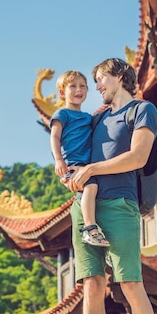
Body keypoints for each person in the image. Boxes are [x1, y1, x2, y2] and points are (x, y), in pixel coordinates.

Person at [66, 58, 157, 314]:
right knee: (92, 286)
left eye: (101, 79)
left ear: (120, 76)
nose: (97, 87)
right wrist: (68, 172)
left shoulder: (141, 110)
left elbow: (138, 156)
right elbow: (72, 145)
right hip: (85, 206)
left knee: (131, 284)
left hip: (121, 204)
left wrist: (93, 169)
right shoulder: (96, 118)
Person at [50, 70, 109, 247]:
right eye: (73, 86)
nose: (79, 90)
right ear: (62, 92)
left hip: (88, 165)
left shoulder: (88, 117)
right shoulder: (62, 114)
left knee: (96, 191)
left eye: (83, 86)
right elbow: (54, 137)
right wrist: (59, 160)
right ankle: (89, 229)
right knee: (90, 186)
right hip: (73, 165)